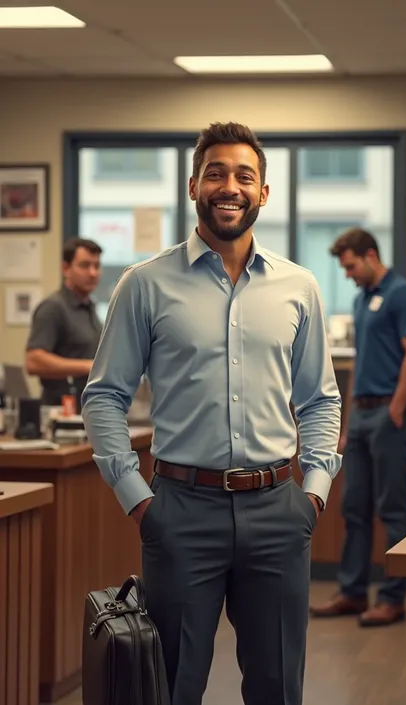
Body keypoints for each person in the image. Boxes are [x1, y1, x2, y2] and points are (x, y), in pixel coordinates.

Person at [82, 121, 342, 705]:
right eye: (217, 173)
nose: (231, 186)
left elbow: (320, 398)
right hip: (179, 513)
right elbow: (104, 395)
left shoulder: (298, 288)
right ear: (194, 185)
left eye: (244, 175)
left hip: (279, 511)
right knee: (170, 687)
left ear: (263, 193)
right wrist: (138, 501)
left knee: (277, 688)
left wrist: (315, 494)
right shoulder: (144, 285)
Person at [310, 227, 406, 627]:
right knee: (354, 507)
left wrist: (395, 408)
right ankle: (353, 593)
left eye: (351, 266)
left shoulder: (401, 294)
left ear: (371, 256)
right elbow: (360, 362)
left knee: (392, 509)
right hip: (361, 415)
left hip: (391, 415)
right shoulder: (362, 301)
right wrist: (347, 420)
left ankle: (393, 598)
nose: (348, 274)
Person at [25, 237, 103, 406]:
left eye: (96, 266)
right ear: (65, 268)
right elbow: (33, 360)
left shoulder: (90, 307)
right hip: (61, 410)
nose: (93, 273)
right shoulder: (53, 307)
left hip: (87, 406)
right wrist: (88, 366)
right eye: (85, 265)